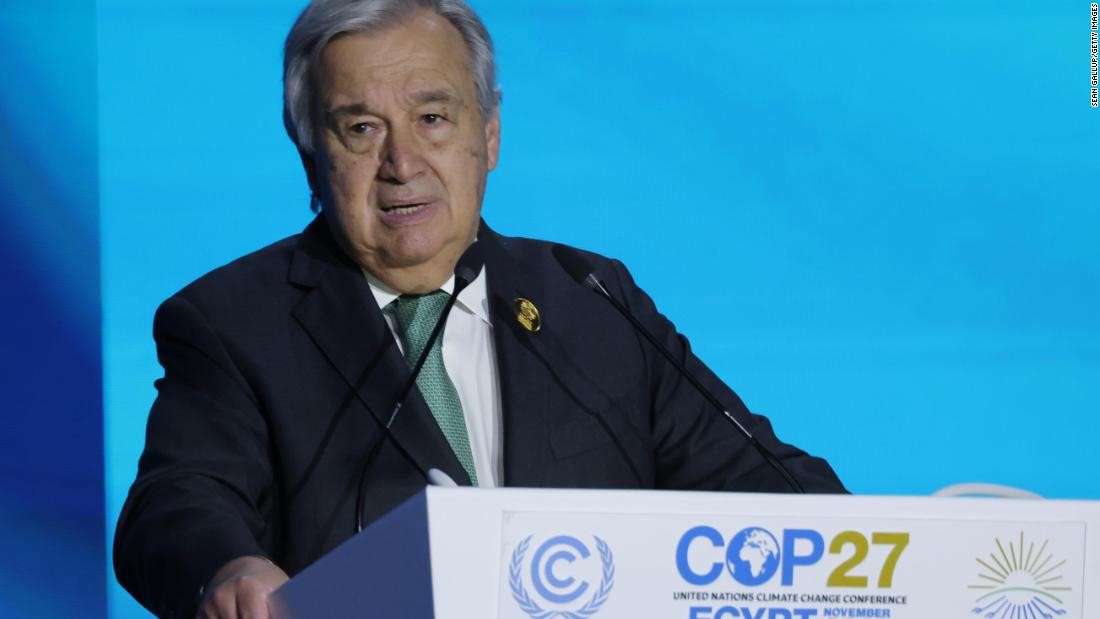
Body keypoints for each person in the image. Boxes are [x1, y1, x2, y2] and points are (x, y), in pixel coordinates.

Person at [113, 0, 846, 617]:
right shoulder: (234, 321)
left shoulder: (589, 297)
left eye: (433, 117)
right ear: (310, 154)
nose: (402, 163)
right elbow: (177, 502)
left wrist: (867, 547)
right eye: (361, 129)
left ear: (488, 135)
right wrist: (228, 566)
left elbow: (773, 487)